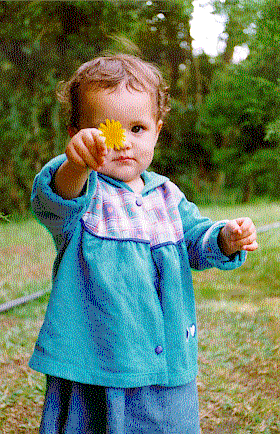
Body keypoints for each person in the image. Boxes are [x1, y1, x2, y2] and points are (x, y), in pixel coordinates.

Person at [29, 53, 258, 434]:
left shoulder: (167, 195)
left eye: (137, 129)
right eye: (106, 130)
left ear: (157, 130)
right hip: (97, 361)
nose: (123, 143)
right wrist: (76, 164)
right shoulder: (85, 191)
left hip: (166, 358)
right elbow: (54, 200)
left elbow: (195, 240)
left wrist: (224, 237)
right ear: (76, 134)